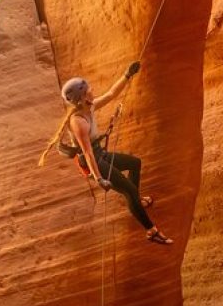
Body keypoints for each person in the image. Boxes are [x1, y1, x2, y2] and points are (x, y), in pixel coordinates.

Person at [39, 61, 172, 245]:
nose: (92, 91)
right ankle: (151, 231)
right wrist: (99, 178)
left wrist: (127, 74)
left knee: (135, 163)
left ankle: (136, 202)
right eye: (88, 91)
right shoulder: (78, 122)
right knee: (129, 190)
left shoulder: (89, 106)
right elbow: (87, 152)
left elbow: (111, 94)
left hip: (99, 153)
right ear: (82, 98)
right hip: (92, 161)